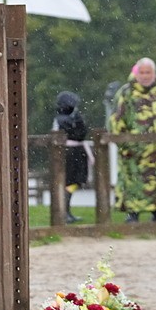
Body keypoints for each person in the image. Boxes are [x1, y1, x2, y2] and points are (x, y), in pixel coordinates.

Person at [110, 58, 156, 222]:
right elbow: (116, 122)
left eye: (149, 72)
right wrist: (125, 146)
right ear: (136, 73)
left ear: (154, 74)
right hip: (135, 152)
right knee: (133, 184)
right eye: (142, 72)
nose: (145, 76)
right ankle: (133, 215)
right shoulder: (126, 93)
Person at [53, 91, 92, 224]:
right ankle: (64, 212)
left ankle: (66, 211)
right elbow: (80, 133)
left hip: (72, 152)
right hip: (71, 153)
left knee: (71, 182)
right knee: (70, 182)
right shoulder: (66, 119)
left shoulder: (64, 118)